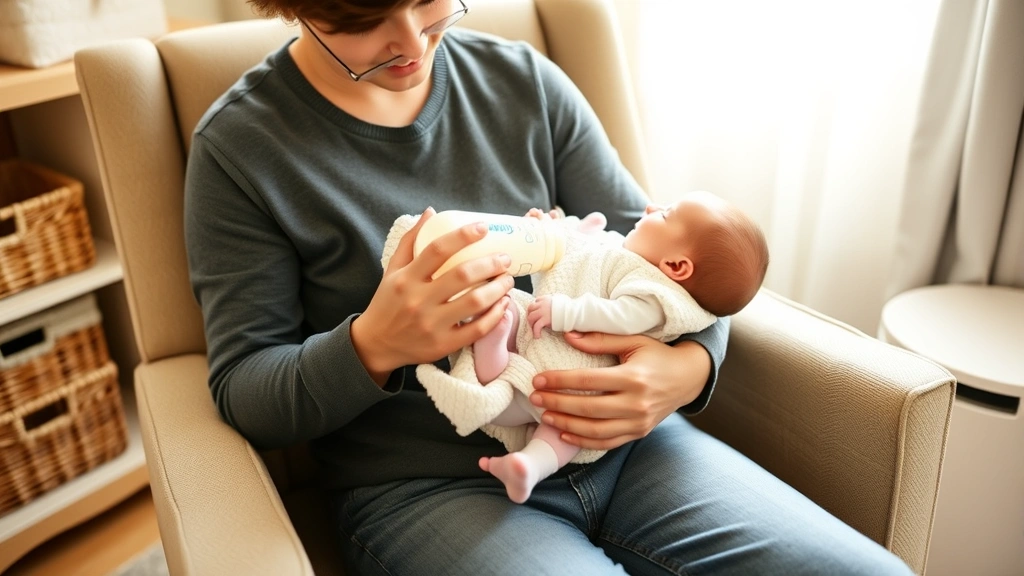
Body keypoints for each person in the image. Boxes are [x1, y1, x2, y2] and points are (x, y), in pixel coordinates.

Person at [182, 0, 915, 573]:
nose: (411, 42)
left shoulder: (523, 84)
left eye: (431, 2)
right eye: (365, 19)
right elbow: (246, 390)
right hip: (428, 489)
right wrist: (373, 344)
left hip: (633, 453)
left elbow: (680, 260)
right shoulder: (244, 151)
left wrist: (686, 370)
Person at [454, 193, 768, 503]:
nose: (650, 205)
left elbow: (621, 316)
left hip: (581, 380)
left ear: (676, 266)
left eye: (665, 214)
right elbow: (583, 254)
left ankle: (530, 464)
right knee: (507, 318)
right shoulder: (630, 254)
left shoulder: (656, 296)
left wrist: (566, 312)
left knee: (568, 428)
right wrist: (552, 230)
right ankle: (496, 358)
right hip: (547, 350)